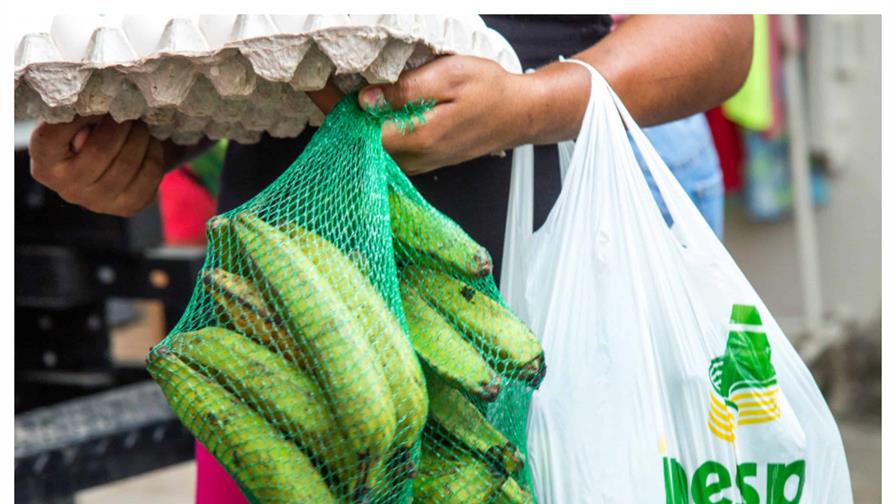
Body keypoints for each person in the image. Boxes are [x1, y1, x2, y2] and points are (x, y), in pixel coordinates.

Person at [28, 15, 753, 503]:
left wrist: (529, 103)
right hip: (286, 307)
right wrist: (149, 138)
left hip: (545, 280)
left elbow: (718, 35)